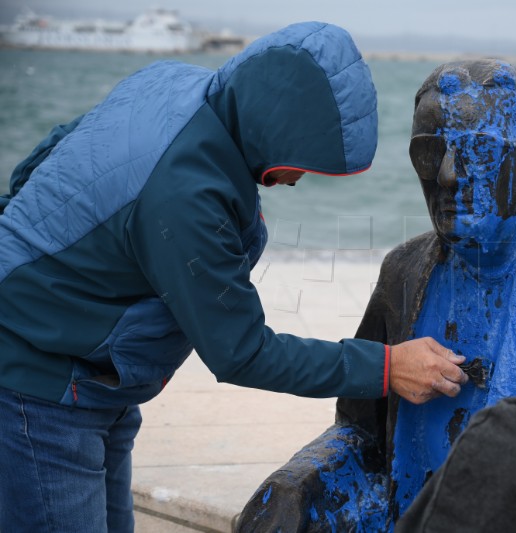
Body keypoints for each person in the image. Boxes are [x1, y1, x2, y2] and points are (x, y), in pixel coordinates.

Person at [0, 22, 468, 532]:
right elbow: (241, 351)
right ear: (278, 130)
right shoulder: (186, 197)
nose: (299, 179)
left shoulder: (173, 83)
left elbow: (46, 157)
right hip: (41, 388)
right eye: (304, 163)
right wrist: (385, 367)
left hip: (97, 380)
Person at [237, 59, 516, 532]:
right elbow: (361, 433)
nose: (449, 175)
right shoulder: (404, 270)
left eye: (479, 151)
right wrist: (297, 487)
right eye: (428, 153)